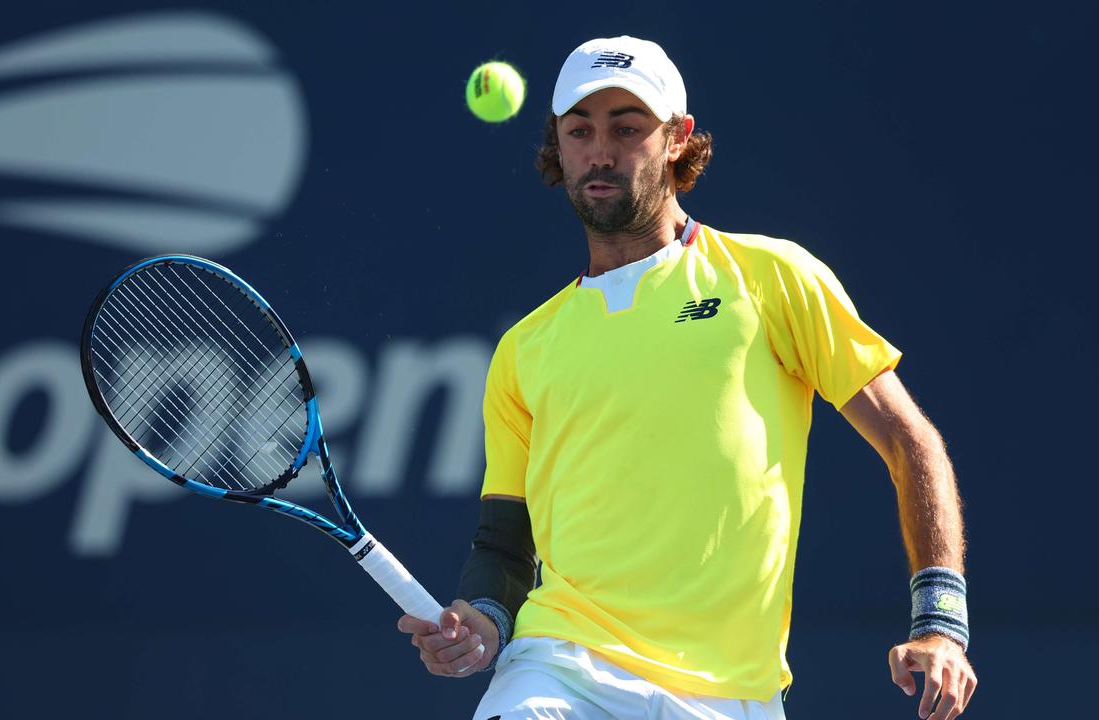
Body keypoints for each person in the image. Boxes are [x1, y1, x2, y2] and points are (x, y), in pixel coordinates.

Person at [397, 36, 976, 720]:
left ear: (677, 138)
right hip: (562, 670)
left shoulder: (771, 278)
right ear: (559, 146)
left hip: (733, 695)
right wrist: (485, 620)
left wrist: (941, 620)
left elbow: (911, 442)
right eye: (579, 131)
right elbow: (504, 542)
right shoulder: (526, 347)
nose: (601, 151)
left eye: (628, 127)